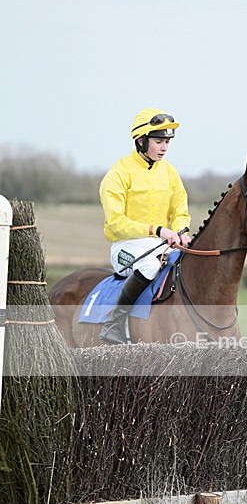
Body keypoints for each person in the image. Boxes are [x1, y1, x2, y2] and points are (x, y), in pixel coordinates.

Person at [98, 108, 192, 344]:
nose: (164, 148)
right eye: (158, 141)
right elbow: (116, 223)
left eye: (167, 142)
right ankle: (114, 323)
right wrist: (158, 230)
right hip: (125, 247)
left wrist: (181, 233)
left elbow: (180, 211)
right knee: (150, 265)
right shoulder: (118, 174)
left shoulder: (170, 173)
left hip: (162, 244)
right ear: (141, 141)